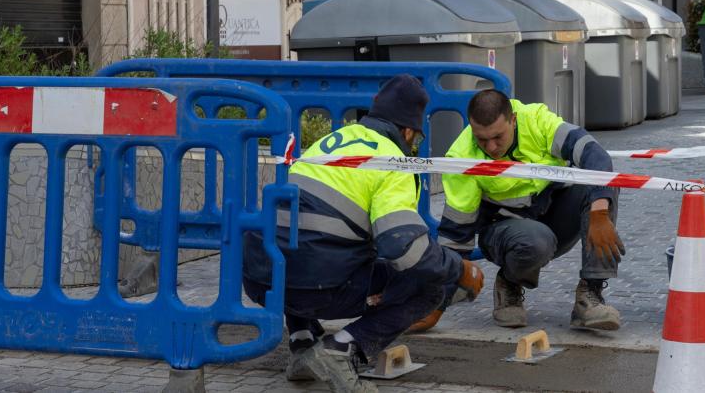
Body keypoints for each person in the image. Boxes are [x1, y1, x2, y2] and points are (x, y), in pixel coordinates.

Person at [241, 74, 484, 393]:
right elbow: (404, 248)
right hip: (317, 288)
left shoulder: (331, 142)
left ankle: (303, 348)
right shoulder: (392, 160)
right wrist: (459, 268)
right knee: (429, 288)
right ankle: (340, 350)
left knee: (298, 246)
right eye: (415, 140)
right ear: (408, 131)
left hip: (262, 280)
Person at [411, 89, 624, 333]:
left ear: (513, 119)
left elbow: (594, 154)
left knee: (604, 186)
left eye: (498, 137)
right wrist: (437, 304)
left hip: (552, 214)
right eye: (482, 139)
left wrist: (598, 212)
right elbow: (455, 238)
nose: (491, 147)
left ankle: (590, 295)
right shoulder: (462, 158)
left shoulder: (537, 120)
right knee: (535, 240)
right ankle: (509, 284)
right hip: (505, 232)